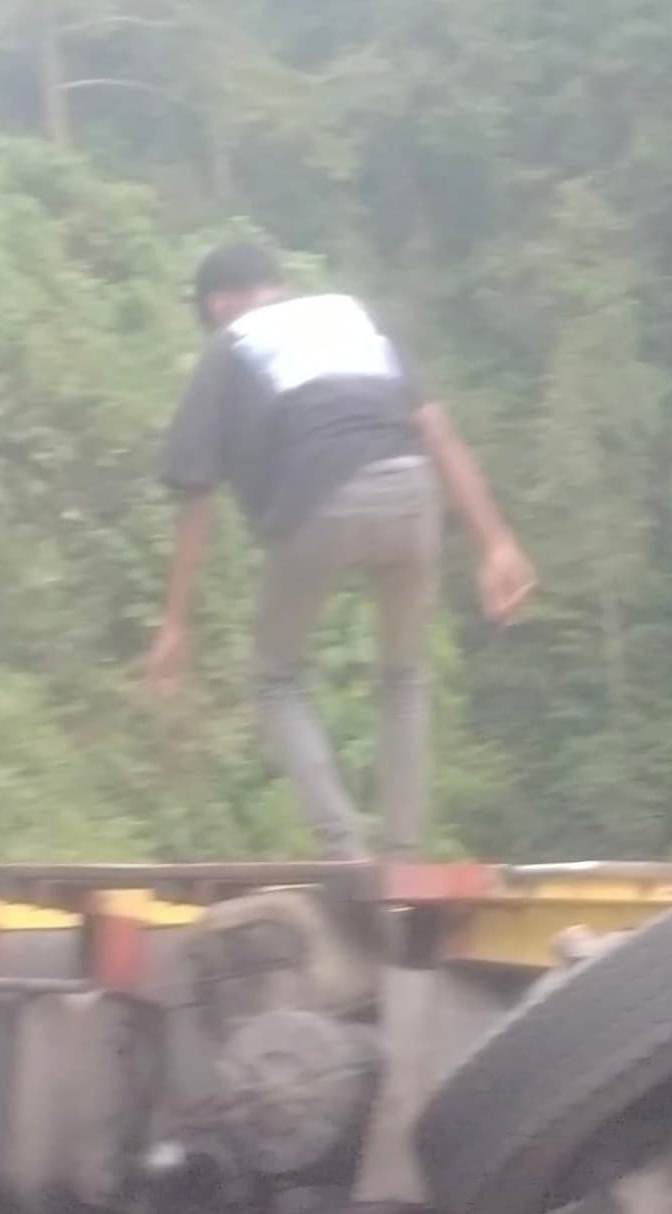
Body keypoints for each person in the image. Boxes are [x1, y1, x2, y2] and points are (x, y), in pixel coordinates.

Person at [144, 238, 537, 859]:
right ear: (278, 283)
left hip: (319, 502)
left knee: (276, 676)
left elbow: (196, 497)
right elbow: (438, 431)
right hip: (412, 491)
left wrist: (174, 621)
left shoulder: (230, 345)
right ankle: (403, 854)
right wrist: (496, 542)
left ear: (219, 304)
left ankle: (343, 849)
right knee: (403, 674)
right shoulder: (354, 313)